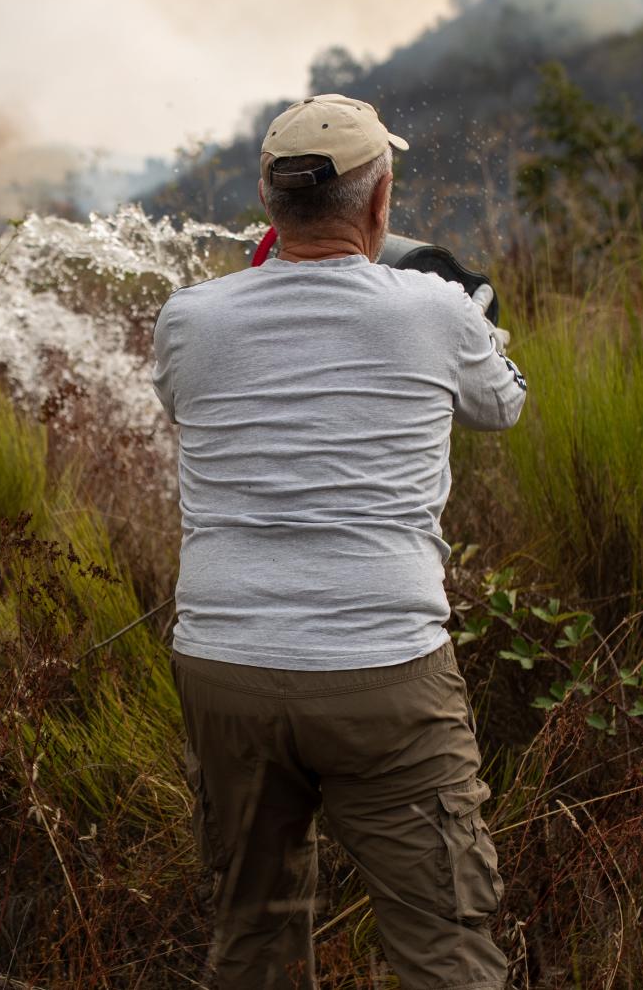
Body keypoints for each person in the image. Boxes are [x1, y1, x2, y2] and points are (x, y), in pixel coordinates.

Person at [151, 94, 526, 990]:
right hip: (383, 671)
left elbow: (186, 399)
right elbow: (503, 404)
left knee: (254, 938)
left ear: (267, 200)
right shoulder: (436, 309)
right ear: (381, 198)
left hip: (226, 666)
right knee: (445, 946)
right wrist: (477, 315)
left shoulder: (190, 317)